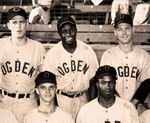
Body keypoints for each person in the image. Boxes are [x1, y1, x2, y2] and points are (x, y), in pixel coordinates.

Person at [43, 16, 99, 119]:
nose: (68, 34)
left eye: (71, 30)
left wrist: (92, 106)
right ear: (59, 33)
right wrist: (54, 107)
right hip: (62, 99)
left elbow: (93, 81)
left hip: (83, 98)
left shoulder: (87, 50)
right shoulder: (52, 54)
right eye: (64, 31)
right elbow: (49, 84)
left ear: (76, 30)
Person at [0, 7, 45, 123]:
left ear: (27, 24)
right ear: (8, 25)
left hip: (28, 103)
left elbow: (43, 79)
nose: (18, 26)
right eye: (14, 22)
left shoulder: (38, 47)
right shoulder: (1, 45)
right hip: (4, 103)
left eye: (21, 22)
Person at [100, 14, 150, 101]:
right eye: (120, 29)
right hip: (114, 105)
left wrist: (133, 104)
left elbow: (146, 84)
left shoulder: (144, 56)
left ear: (133, 30)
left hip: (137, 106)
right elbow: (105, 84)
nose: (124, 33)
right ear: (115, 32)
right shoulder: (108, 55)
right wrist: (120, 105)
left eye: (127, 28)